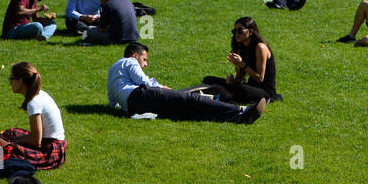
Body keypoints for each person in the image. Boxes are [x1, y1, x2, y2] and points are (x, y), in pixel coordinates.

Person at [108, 42, 266, 123]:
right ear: (135, 55)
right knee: (192, 99)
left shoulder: (112, 71)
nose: (145, 65)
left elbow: (112, 102)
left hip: (133, 107)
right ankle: (242, 109)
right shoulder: (130, 61)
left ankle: (237, 118)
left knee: (186, 112)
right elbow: (143, 81)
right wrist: (162, 88)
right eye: (144, 60)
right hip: (142, 96)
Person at [0, 62, 66, 174]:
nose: (10, 82)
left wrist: (15, 141)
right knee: (9, 133)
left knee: (7, 146)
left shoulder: (34, 103)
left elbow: (36, 140)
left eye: (11, 79)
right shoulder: (39, 94)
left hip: (50, 151)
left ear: (20, 81)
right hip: (53, 146)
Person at [200, 17, 279, 103]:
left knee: (240, 89)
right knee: (208, 79)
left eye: (240, 31)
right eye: (235, 31)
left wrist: (241, 64)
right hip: (250, 87)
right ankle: (224, 93)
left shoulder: (260, 47)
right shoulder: (240, 47)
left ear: (251, 32)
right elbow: (240, 78)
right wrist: (233, 81)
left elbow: (260, 78)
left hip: (265, 92)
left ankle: (223, 94)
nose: (237, 34)